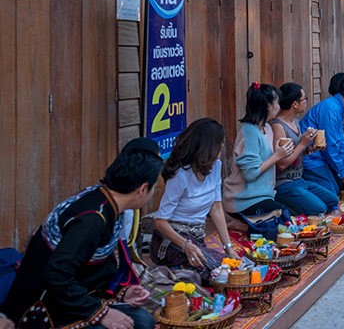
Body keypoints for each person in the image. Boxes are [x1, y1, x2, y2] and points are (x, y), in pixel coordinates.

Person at [2, 138, 163, 329]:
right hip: (44, 307)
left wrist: (123, 293)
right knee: (136, 325)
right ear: (142, 189)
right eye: (153, 188)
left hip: (72, 296)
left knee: (143, 320)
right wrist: (101, 313)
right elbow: (56, 274)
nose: (152, 192)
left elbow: (87, 270)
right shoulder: (92, 220)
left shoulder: (105, 202)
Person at [151, 118, 237, 278]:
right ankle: (174, 272)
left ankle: (182, 271)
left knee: (225, 267)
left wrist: (229, 247)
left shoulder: (216, 165)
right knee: (215, 273)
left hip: (196, 238)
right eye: (219, 142)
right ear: (207, 147)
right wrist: (185, 245)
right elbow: (160, 222)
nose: (222, 146)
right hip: (172, 240)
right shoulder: (180, 175)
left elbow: (216, 207)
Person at [223, 83, 294, 219]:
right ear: (268, 106)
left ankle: (248, 223)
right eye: (277, 103)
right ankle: (238, 224)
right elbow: (250, 173)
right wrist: (277, 155)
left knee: (289, 217)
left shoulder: (267, 128)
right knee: (283, 222)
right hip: (243, 200)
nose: (279, 107)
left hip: (264, 195)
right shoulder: (249, 132)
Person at [271, 83, 338, 215]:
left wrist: (309, 149)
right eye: (304, 99)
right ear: (295, 104)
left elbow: (296, 152)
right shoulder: (278, 126)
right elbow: (281, 164)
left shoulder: (295, 122)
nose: (306, 102)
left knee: (332, 200)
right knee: (319, 209)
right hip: (285, 183)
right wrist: (303, 143)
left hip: (299, 180)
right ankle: (286, 209)